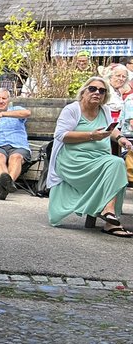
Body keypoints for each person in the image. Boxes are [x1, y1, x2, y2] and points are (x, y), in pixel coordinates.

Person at [47, 77, 133, 236]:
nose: (97, 93)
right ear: (84, 91)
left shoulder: (105, 110)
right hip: (73, 160)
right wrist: (91, 136)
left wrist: (121, 139)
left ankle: (109, 215)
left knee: (116, 165)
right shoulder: (72, 109)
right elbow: (61, 135)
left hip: (99, 158)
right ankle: (109, 217)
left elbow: (111, 130)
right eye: (92, 89)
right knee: (115, 164)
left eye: (102, 91)